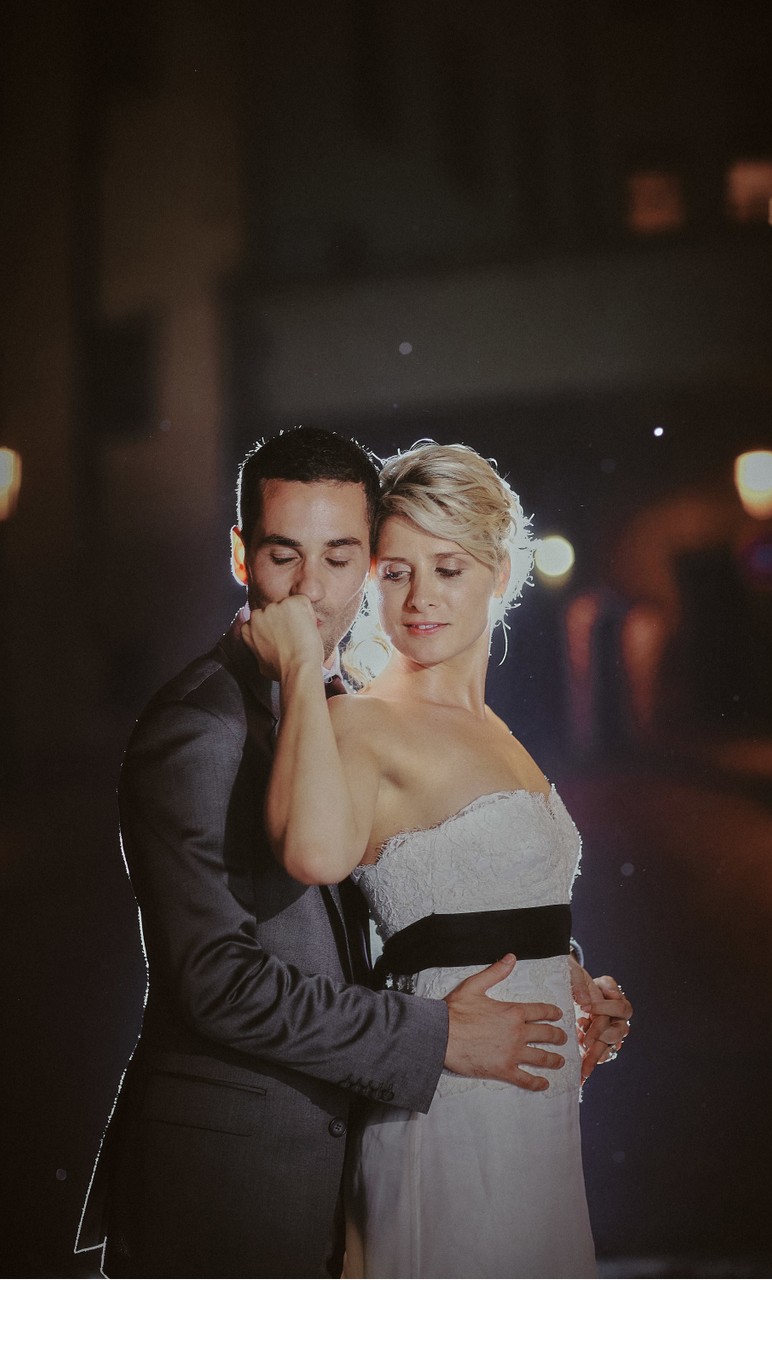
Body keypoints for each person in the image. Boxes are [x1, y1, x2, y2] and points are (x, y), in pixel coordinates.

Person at [76, 426, 630, 1278]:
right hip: (236, 1171)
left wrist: (553, 977)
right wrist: (437, 1036)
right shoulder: (200, 727)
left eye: (340, 558)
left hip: (363, 1129)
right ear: (240, 555)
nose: (311, 590)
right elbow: (219, 982)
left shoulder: (345, 698)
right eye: (282, 555)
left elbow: (406, 905)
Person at [242, 439, 632, 1278]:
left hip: (538, 1108)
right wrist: (303, 669)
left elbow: (478, 902)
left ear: (499, 573)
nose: (418, 599)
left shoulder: (498, 731)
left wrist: (569, 977)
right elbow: (312, 852)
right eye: (394, 572)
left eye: (448, 569)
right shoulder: (360, 724)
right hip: (452, 1105)